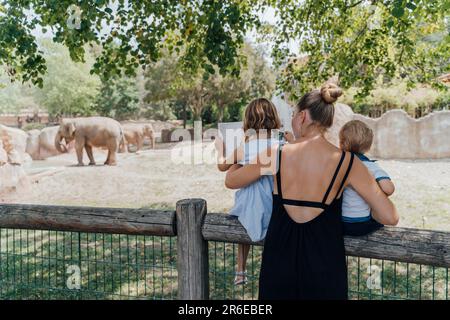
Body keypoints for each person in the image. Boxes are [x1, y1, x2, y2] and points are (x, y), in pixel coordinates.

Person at [224, 83, 399, 299]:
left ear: (303, 117)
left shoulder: (276, 154)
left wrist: (237, 157)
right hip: (325, 266)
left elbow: (231, 180)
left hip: (278, 265)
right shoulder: (347, 163)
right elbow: (389, 216)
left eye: (294, 115)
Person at [216, 98, 293, 285]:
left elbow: (222, 166)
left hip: (249, 203)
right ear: (273, 117)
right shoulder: (280, 143)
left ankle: (240, 270)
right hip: (275, 200)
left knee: (242, 224)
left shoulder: (244, 147)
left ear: (248, 121)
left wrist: (220, 149)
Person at [339, 120, 395, 236]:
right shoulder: (372, 167)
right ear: (368, 147)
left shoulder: (339, 165)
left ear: (342, 144)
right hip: (362, 224)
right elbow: (389, 189)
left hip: (340, 223)